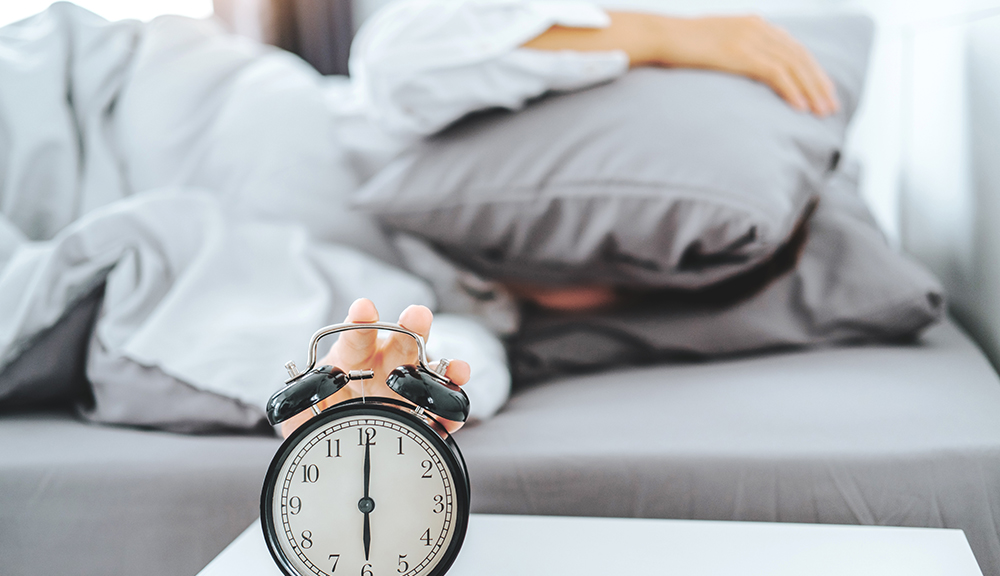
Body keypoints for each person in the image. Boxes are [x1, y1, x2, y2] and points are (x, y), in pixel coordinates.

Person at [282, 4, 839, 437]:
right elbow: (394, 60)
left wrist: (392, 395)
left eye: (638, 278)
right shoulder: (426, 116)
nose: (591, 258)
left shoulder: (484, 312)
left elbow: (463, 361)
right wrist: (668, 35)